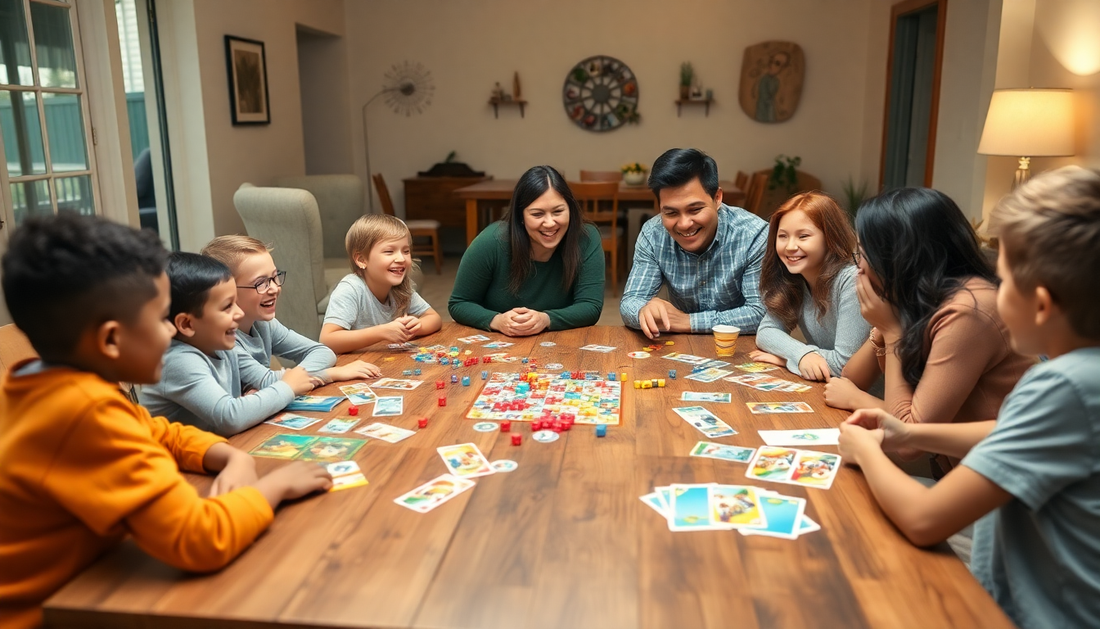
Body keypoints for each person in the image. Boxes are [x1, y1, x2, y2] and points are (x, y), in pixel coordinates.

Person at [0, 215, 333, 629]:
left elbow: (155, 430)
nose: (173, 331)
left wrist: (230, 458)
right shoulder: (86, 414)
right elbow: (200, 539)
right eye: (162, 318)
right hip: (49, 614)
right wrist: (277, 485)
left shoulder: (51, 382)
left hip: (91, 581)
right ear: (110, 340)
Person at [837, 166, 1100, 629]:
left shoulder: (1059, 384)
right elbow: (1010, 431)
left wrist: (865, 449)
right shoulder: (1080, 377)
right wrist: (907, 430)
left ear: (1039, 304)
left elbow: (924, 519)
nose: (993, 289)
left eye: (1004, 276)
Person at [824, 188, 1033, 472]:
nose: (858, 268)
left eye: (863, 254)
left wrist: (891, 329)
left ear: (899, 256)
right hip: (954, 468)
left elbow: (908, 441)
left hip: (998, 481)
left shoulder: (969, 309)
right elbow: (851, 378)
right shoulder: (919, 295)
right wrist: (883, 327)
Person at [139, 253, 316, 436]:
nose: (239, 314)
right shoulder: (176, 361)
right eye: (227, 306)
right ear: (187, 324)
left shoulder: (222, 347)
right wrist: (286, 387)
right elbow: (230, 417)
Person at [620, 148, 767, 339]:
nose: (684, 224)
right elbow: (630, 301)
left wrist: (687, 322)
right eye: (671, 213)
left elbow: (761, 314)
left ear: (717, 198)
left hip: (741, 346)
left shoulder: (754, 235)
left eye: (695, 209)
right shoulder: (653, 233)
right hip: (681, 345)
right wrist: (643, 311)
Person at [448, 165, 604, 335]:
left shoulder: (586, 238)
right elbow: (459, 303)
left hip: (561, 345)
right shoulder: (491, 241)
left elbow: (590, 306)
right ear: (520, 217)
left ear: (570, 209)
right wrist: (496, 320)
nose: (550, 223)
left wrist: (546, 319)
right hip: (497, 345)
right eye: (537, 214)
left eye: (558, 211)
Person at [201, 235, 380, 381]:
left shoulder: (264, 325)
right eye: (261, 283)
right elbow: (266, 381)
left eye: (274, 277)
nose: (275, 288)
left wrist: (287, 378)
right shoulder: (224, 339)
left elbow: (322, 351)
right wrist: (330, 374)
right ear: (227, 291)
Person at [749, 191, 869, 380]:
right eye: (782, 236)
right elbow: (765, 333)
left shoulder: (852, 281)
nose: (790, 246)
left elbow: (844, 366)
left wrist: (787, 358)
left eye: (803, 236)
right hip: (823, 387)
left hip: (868, 399)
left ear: (830, 238)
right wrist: (801, 355)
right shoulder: (795, 278)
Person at [320, 215, 442, 353]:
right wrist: (382, 332)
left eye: (406, 251)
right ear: (361, 260)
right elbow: (328, 340)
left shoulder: (401, 287)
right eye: (389, 251)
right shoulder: (350, 289)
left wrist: (418, 326)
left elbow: (434, 318)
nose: (401, 258)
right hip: (352, 367)